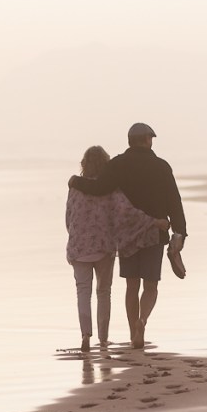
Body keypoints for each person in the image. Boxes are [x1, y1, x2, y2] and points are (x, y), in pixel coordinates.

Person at [69, 123, 187, 349]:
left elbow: (99, 188)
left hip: (128, 234)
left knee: (131, 285)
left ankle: (133, 331)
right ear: (147, 140)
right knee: (150, 285)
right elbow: (174, 201)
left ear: (130, 141)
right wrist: (180, 232)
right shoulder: (162, 166)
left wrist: (76, 181)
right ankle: (142, 321)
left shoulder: (117, 165)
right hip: (155, 232)